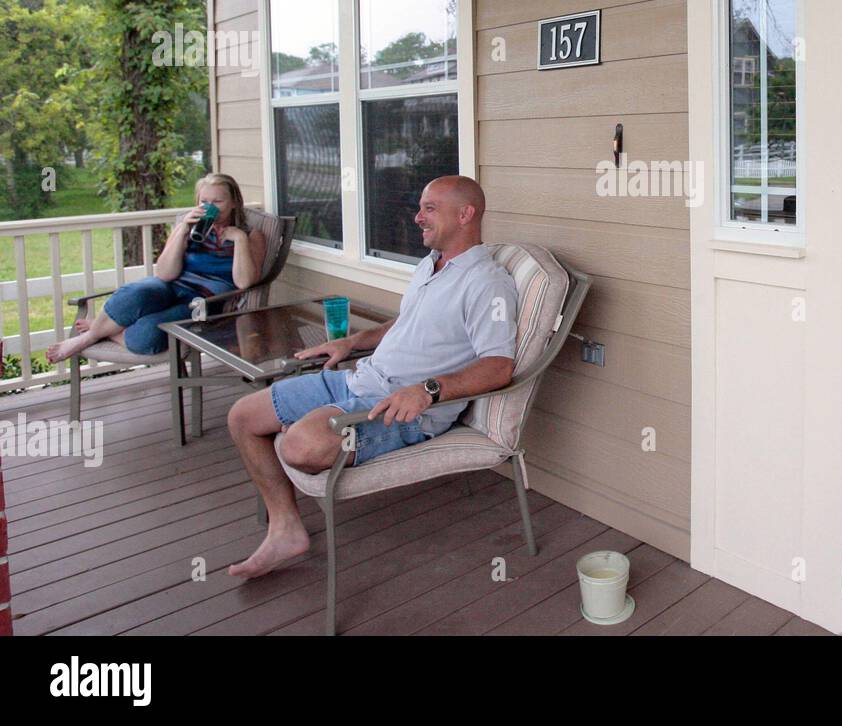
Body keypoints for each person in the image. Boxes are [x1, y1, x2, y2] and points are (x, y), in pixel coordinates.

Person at [225, 175, 518, 579]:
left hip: (403, 408)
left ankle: (311, 432)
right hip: (361, 379)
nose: (417, 217)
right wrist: (353, 341)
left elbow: (499, 364)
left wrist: (430, 389)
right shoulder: (430, 265)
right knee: (243, 415)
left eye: (430, 208)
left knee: (301, 445)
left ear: (466, 214)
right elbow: (408, 321)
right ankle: (286, 528)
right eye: (421, 207)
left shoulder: (487, 284)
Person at [47, 173, 266, 363]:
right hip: (173, 286)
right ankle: (89, 337)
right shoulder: (187, 228)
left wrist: (238, 239)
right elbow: (164, 273)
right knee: (135, 293)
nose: (210, 207)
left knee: (147, 334)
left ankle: (108, 329)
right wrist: (182, 232)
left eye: (217, 201)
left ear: (234, 202)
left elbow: (244, 282)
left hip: (204, 303)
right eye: (204, 201)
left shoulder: (250, 236)